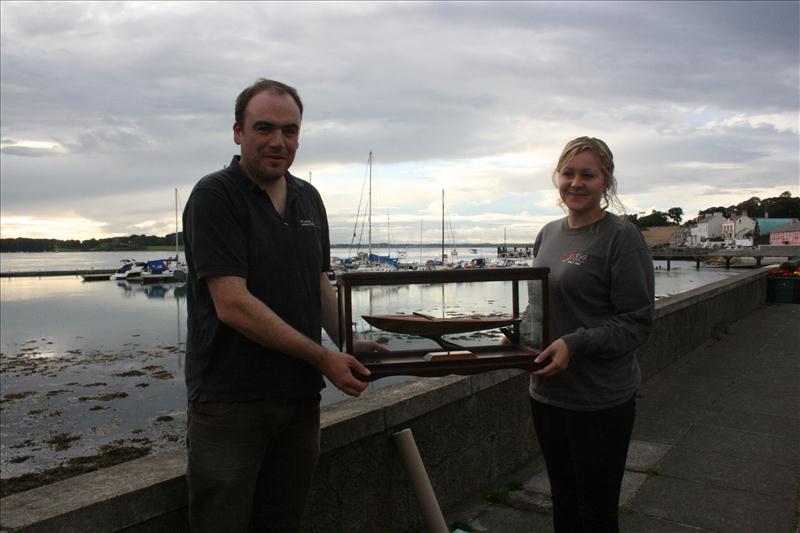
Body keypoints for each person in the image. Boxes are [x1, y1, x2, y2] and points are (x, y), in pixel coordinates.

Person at [182, 78, 386, 532]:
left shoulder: (308, 197)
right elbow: (232, 304)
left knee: (283, 522)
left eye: (290, 130)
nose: (279, 142)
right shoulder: (215, 196)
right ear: (238, 132)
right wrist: (323, 358)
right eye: (264, 128)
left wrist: (349, 343)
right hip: (230, 400)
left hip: (298, 396)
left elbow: (317, 284)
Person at [528, 136, 655, 532]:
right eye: (568, 173)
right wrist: (516, 338)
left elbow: (637, 320)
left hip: (600, 401)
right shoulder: (548, 233)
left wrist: (574, 343)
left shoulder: (621, 237)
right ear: (557, 178)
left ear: (606, 181)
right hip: (547, 395)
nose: (576, 183)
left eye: (588, 174)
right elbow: (539, 308)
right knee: (563, 504)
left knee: (596, 512)